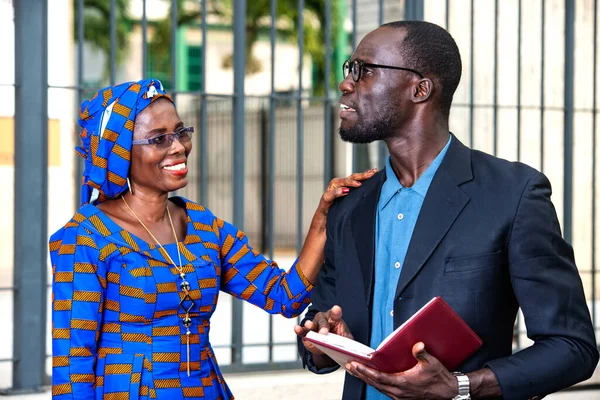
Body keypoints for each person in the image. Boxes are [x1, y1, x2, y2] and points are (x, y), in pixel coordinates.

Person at [295, 21, 599, 400]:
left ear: (420, 89)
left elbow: (573, 348)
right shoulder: (348, 206)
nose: (345, 84)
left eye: (364, 70)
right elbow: (319, 330)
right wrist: (321, 341)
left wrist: (461, 387)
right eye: (349, 69)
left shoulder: (513, 195)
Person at [50, 78, 376, 400]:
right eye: (158, 139)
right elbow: (73, 361)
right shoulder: (86, 239)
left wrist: (323, 217)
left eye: (180, 132)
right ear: (119, 152)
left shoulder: (204, 227)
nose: (178, 146)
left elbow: (284, 295)